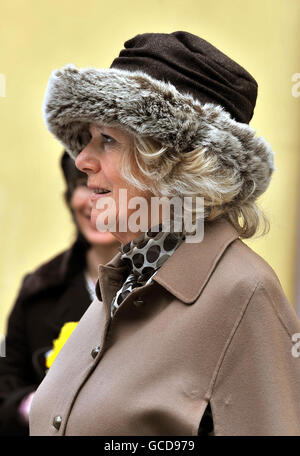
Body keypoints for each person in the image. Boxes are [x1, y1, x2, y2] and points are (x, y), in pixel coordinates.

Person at [30, 31, 300, 436]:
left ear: (176, 167)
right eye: (87, 138)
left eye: (108, 140)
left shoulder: (245, 292)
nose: (82, 159)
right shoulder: (127, 277)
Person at [0, 152, 120, 435]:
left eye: (109, 186)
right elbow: (6, 383)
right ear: (69, 196)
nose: (94, 199)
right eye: (82, 183)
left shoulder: (168, 285)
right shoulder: (39, 290)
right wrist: (28, 405)